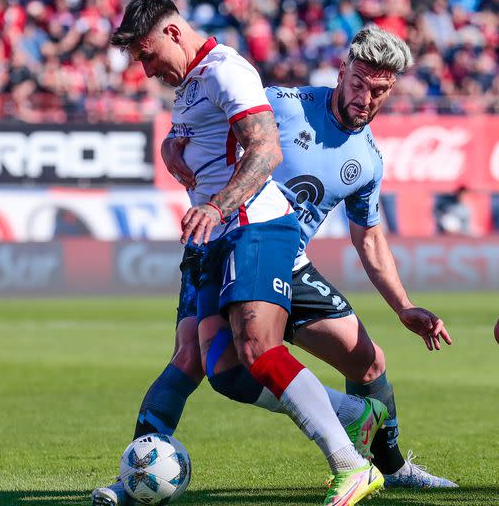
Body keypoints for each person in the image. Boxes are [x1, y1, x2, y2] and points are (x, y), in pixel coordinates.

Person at [94, 26, 457, 505]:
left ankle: (390, 467)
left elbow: (368, 236)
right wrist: (172, 142)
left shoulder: (368, 160)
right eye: (359, 84)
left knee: (367, 361)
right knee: (200, 363)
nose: (366, 98)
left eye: (380, 91)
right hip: (224, 239)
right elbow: (207, 118)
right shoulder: (283, 103)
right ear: (342, 70)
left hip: (285, 256)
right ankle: (132, 478)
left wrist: (403, 305)